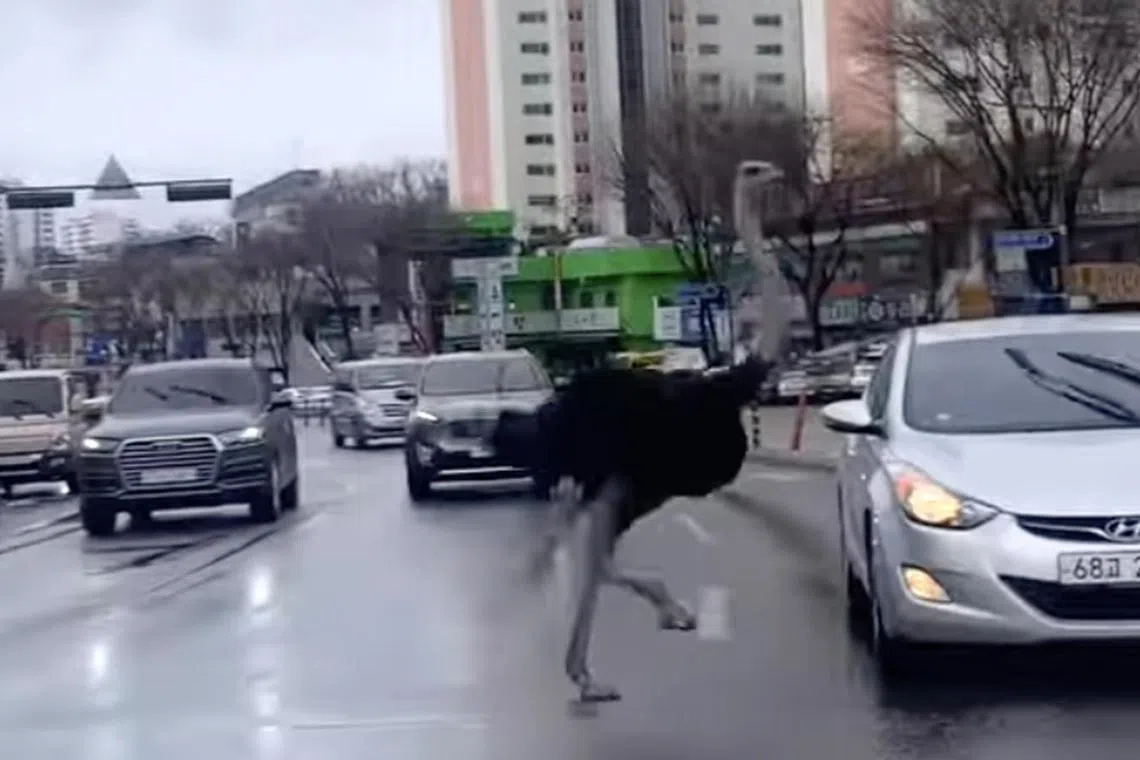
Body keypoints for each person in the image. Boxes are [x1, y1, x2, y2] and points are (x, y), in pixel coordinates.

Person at [489, 354, 771, 704]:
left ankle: (641, 613)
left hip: (634, 467)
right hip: (640, 464)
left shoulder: (564, 434)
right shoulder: (568, 414)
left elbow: (568, 502)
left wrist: (544, 549)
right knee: (595, 569)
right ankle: (644, 611)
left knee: (594, 572)